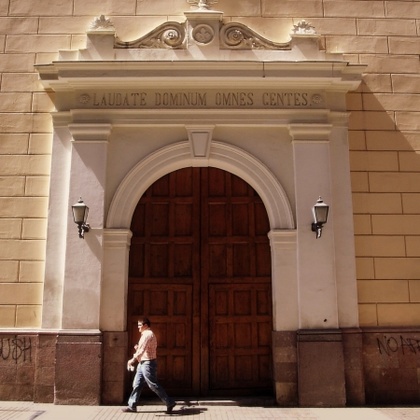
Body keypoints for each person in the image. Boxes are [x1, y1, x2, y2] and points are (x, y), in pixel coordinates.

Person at [122, 317, 176, 414]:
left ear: (145, 325)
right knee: (137, 384)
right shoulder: (145, 335)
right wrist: (137, 349)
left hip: (148, 363)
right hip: (143, 362)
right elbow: (143, 349)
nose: (138, 327)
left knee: (153, 385)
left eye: (140, 325)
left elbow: (142, 350)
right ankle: (132, 406)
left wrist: (132, 360)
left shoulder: (148, 334)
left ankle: (169, 402)